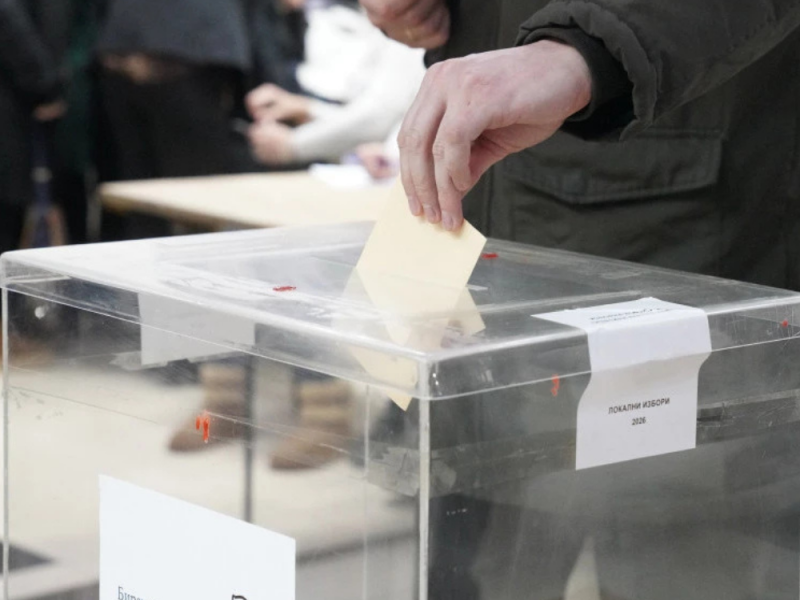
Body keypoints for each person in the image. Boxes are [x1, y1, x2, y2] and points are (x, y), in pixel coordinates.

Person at [359, 1, 800, 599]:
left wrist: (586, 49)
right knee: (475, 562)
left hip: (671, 207)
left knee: (671, 554)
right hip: (473, 215)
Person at [246, 0, 424, 166]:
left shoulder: (408, 20)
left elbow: (379, 118)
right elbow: (374, 117)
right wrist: (307, 109)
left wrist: (294, 144)